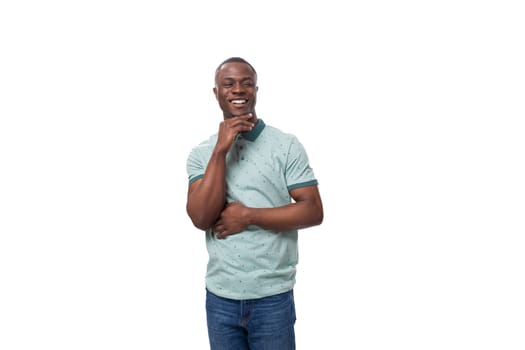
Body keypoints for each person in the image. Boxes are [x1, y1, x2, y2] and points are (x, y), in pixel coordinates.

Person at [186, 57, 323, 349]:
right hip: (221, 296)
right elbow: (201, 218)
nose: (239, 90)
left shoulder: (285, 145)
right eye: (229, 83)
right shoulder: (201, 153)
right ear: (216, 93)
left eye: (246, 83)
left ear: (256, 90)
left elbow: (312, 210)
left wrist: (248, 216)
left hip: (272, 296)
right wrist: (221, 149)